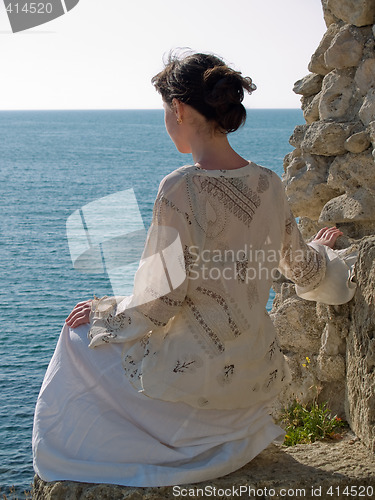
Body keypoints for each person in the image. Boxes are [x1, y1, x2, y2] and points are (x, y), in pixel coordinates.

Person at [32, 52, 355, 487]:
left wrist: (106, 314)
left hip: (197, 390)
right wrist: (319, 248)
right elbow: (302, 268)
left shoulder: (180, 187)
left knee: (74, 338)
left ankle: (120, 450)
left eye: (165, 110)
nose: (165, 121)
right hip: (250, 386)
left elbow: (162, 301)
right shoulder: (269, 184)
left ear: (179, 109)